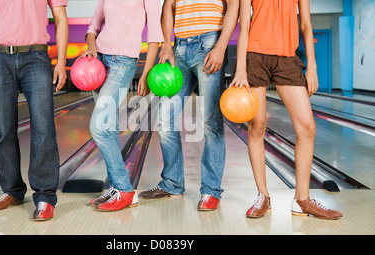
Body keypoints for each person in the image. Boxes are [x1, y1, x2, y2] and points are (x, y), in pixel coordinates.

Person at [0, 0, 68, 221]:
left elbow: (61, 18)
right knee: (5, 130)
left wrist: (62, 62)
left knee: (43, 128)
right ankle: (12, 190)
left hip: (36, 57)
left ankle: (44, 196)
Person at [230, 0, 342, 220]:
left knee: (307, 128)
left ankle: (302, 199)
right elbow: (244, 26)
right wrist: (241, 68)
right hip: (255, 56)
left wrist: (312, 67)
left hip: (287, 59)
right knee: (256, 127)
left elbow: (306, 25)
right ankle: (263, 196)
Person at [139, 0, 239, 211]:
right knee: (165, 120)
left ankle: (211, 191)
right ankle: (172, 183)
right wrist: (167, 44)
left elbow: (234, 6)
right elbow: (168, 6)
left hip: (210, 44)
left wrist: (221, 47)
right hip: (180, 48)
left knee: (211, 122)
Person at [81, 0, 163, 211]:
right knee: (107, 128)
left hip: (123, 63)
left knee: (99, 127)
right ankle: (116, 187)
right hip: (97, 63)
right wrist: (91, 47)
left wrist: (145, 73)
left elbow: (154, 36)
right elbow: (93, 28)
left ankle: (125, 190)